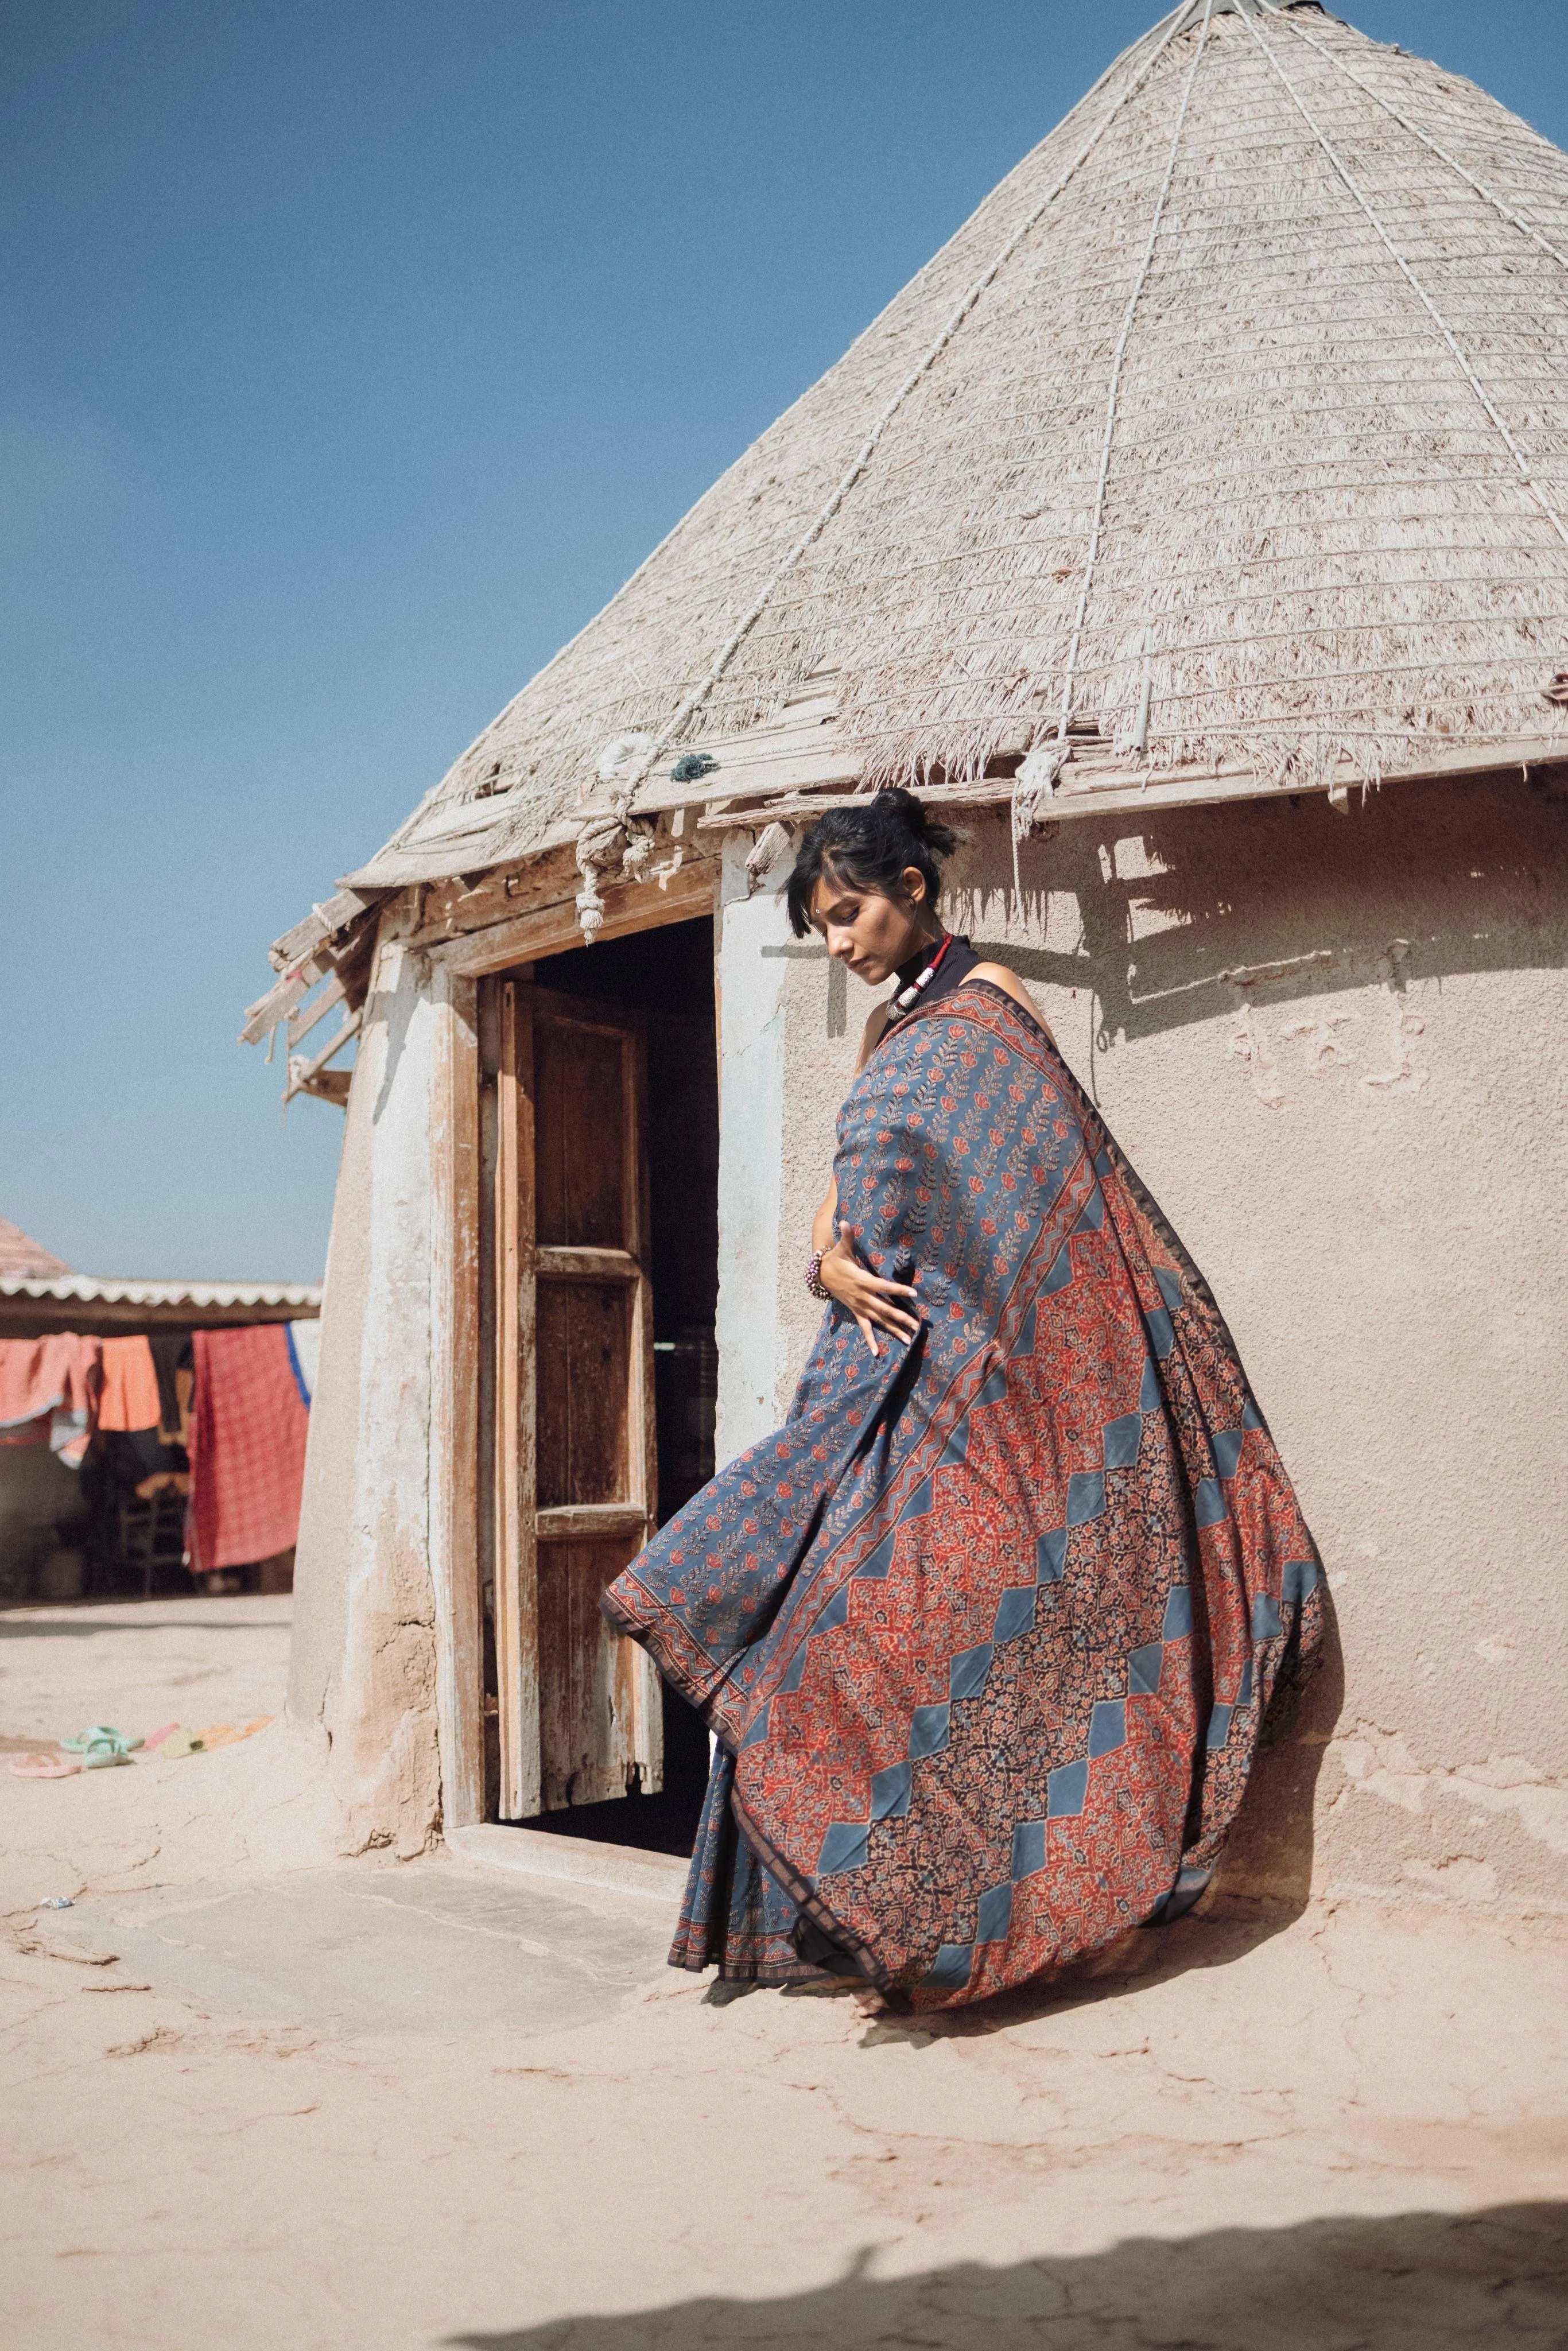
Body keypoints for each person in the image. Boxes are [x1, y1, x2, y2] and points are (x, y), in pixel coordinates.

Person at [604, 789, 1322, 2012]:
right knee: (816, 1634)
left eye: (849, 913)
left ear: (913, 889)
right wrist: (824, 1264)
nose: (839, 942)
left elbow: (1047, 1213)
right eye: (822, 925)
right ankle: (857, 1922)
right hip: (890, 1396)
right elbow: (845, 1211)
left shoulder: (993, 1017)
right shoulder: (894, 1032)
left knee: (976, 1656)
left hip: (997, 1401)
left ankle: (963, 1923)